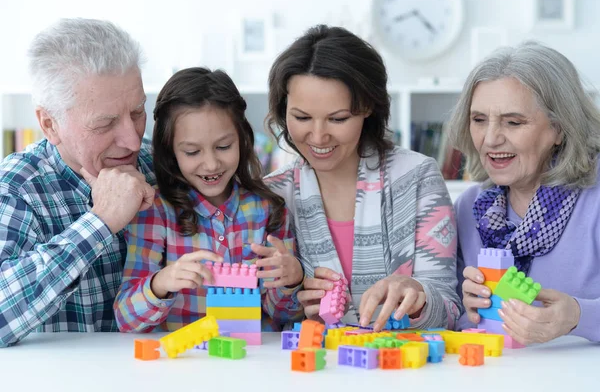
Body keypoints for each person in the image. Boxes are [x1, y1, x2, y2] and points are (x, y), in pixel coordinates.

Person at [263, 25, 462, 332]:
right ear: (282, 109)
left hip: (401, 370)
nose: (318, 135)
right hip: (312, 370)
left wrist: (418, 297)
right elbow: (269, 318)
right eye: (301, 117)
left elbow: (448, 307)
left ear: (367, 107)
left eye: (338, 118)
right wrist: (294, 293)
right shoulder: (273, 194)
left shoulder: (417, 177)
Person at [0, 18, 156, 347]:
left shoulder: (163, 166)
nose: (132, 140)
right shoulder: (18, 187)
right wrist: (101, 222)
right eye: (105, 123)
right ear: (49, 124)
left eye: (138, 111)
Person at [114, 67, 304, 332]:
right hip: (185, 364)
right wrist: (162, 282)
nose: (211, 164)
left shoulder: (268, 210)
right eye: (192, 152)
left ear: (243, 140)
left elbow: (284, 315)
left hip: (251, 363)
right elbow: (126, 320)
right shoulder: (154, 211)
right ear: (171, 152)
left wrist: (291, 280)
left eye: (224, 147)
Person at [450, 41, 600, 344]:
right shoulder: (470, 207)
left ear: (559, 129)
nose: (491, 139)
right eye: (479, 120)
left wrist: (577, 315)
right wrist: (467, 311)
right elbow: (452, 319)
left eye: (513, 122)